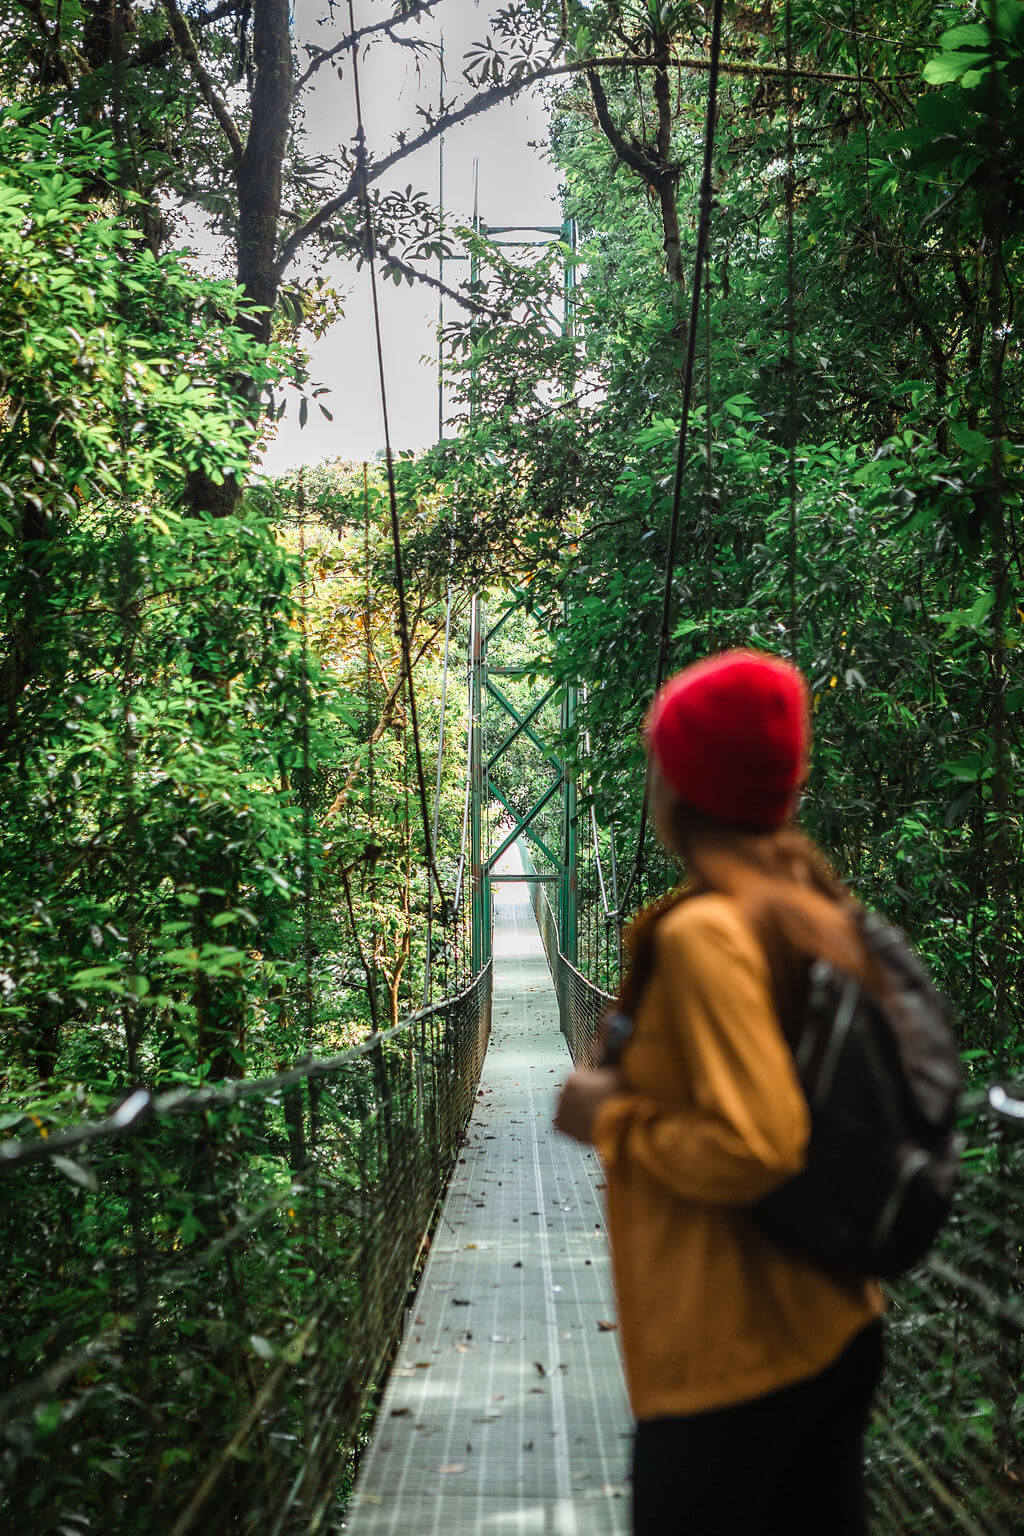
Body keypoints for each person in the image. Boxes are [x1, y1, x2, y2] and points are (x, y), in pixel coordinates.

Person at [554, 649, 885, 1536]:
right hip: (824, 1317)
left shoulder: (705, 934)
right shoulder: (808, 903)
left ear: (683, 784)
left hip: (732, 1351)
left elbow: (759, 1141)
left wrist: (610, 1116)